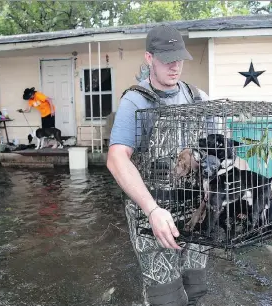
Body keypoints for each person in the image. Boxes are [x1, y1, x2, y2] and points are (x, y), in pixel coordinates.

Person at [107, 24, 211, 306]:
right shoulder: (135, 101)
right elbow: (116, 158)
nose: (174, 66)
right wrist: (152, 210)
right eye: (166, 60)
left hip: (195, 211)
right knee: (166, 298)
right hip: (153, 213)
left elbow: (214, 151)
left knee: (196, 287)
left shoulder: (198, 98)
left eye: (179, 59)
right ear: (149, 58)